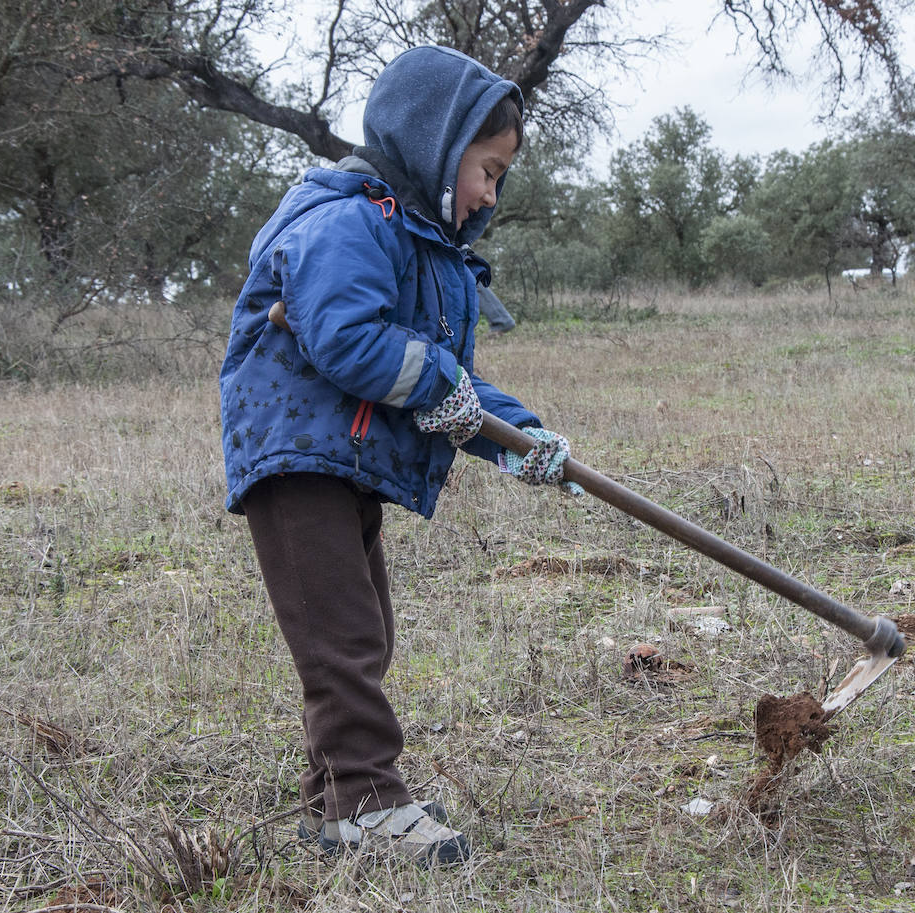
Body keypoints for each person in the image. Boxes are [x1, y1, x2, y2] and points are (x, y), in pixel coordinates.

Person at [218, 46, 578, 865]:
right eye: (486, 169)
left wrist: (526, 442)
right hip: (298, 454)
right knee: (339, 635)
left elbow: (451, 377)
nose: (491, 192)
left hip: (343, 459)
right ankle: (371, 801)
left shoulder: (420, 245)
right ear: (435, 144)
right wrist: (436, 383)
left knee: (362, 627)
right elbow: (350, 339)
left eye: (499, 177)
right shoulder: (343, 220)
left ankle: (334, 806)